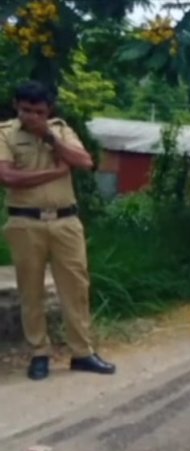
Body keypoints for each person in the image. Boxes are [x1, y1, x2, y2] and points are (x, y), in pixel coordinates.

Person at [0, 80, 115, 380]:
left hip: (65, 222)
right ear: (16, 105)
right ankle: (39, 353)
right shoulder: (4, 134)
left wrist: (49, 137)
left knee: (76, 288)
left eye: (38, 111)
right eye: (25, 110)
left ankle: (82, 353)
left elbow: (85, 162)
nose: (31, 117)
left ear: (48, 109)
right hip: (25, 222)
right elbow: (8, 177)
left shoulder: (61, 130)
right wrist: (54, 171)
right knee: (31, 290)